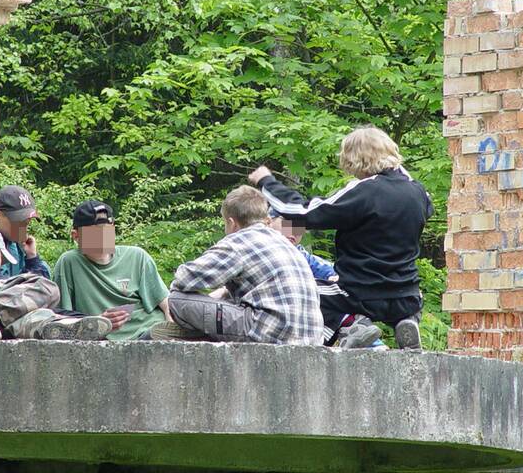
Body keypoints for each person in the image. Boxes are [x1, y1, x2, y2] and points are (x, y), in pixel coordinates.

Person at [249, 126, 433, 350]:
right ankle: (408, 321)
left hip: (359, 293)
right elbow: (425, 206)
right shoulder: (418, 193)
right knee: (408, 298)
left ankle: (355, 325)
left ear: (354, 159)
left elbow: (303, 211)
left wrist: (266, 181)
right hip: (408, 297)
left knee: (303, 291)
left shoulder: (365, 191)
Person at [166, 186, 330, 345]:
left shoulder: (239, 241)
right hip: (311, 339)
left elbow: (184, 278)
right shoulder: (286, 244)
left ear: (232, 223)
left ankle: (194, 335)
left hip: (269, 334)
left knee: (177, 299)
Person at [52, 200, 171, 341]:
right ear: (76, 235)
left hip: (148, 330)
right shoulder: (69, 263)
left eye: (106, 230)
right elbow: (61, 318)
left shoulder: (137, 256)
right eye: (95, 233)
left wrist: (172, 332)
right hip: (104, 340)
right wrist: (99, 322)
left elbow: (167, 304)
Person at [269, 211, 387, 351]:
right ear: (269, 221)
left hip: (302, 322)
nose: (294, 232)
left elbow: (327, 269)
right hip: (272, 317)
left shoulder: (301, 255)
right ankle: (361, 331)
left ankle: (359, 332)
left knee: (341, 290)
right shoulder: (258, 248)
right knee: (314, 291)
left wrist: (334, 276)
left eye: (300, 226)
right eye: (287, 224)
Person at [0, 185, 51, 279]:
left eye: (27, 222)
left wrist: (32, 257)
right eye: (18, 222)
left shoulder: (18, 246)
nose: (23, 229)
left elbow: (42, 286)